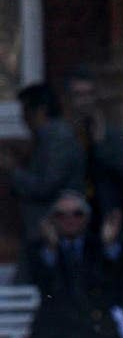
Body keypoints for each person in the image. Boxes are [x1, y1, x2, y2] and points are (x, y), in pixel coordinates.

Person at [25, 190, 123, 338]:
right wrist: (52, 249)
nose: (69, 219)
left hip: (95, 328)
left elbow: (111, 285)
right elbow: (47, 288)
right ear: (52, 219)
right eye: (61, 215)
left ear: (87, 218)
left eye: (77, 214)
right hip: (54, 330)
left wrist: (107, 246)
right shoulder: (38, 249)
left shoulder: (99, 245)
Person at [4, 83, 86, 242]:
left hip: (57, 231)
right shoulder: (47, 138)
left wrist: (13, 171)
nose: (23, 118)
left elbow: (45, 186)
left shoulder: (58, 139)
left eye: (26, 111)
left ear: (40, 110)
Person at [66, 66, 123, 236]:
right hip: (69, 217)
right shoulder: (63, 134)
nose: (85, 101)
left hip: (105, 217)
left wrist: (101, 143)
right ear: (69, 99)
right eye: (78, 95)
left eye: (89, 94)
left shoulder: (111, 133)